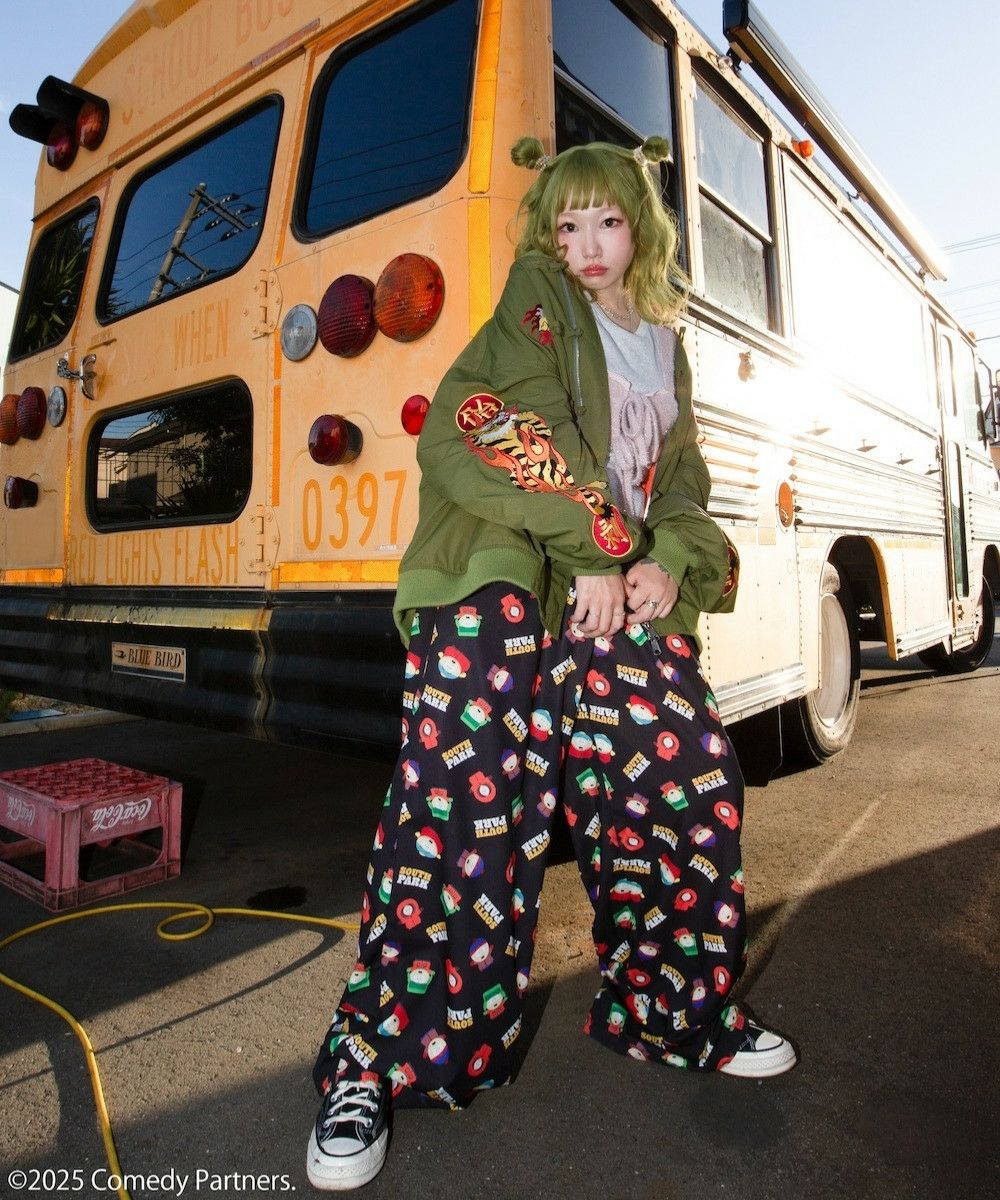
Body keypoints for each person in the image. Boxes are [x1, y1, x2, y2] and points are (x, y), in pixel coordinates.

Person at [305, 135, 796, 1193]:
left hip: (610, 583)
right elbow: (504, 427)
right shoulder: (537, 301)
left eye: (607, 220)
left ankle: (674, 1010)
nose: (587, 243)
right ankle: (376, 1065)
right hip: (500, 575)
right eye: (567, 224)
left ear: (641, 228)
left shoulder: (665, 346)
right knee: (463, 810)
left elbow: (681, 487)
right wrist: (601, 550)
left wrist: (665, 560)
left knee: (684, 778)